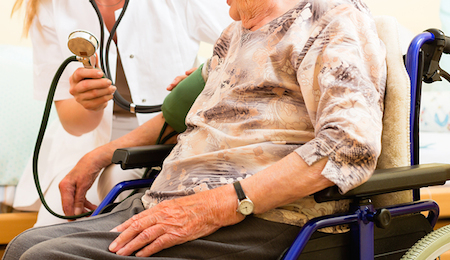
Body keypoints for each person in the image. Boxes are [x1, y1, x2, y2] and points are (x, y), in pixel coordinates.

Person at [3, 0, 386, 258]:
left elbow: (348, 144)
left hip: (260, 215)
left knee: (45, 257)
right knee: (25, 246)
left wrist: (217, 205)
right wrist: (99, 155)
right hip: (170, 201)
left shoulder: (328, 19)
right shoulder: (235, 33)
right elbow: (177, 116)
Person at [11, 0, 231, 226]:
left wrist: (204, 77)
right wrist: (89, 104)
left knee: (117, 189)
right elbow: (75, 125)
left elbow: (252, 44)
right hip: (87, 141)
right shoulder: (48, 6)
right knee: (50, 228)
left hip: (168, 131)